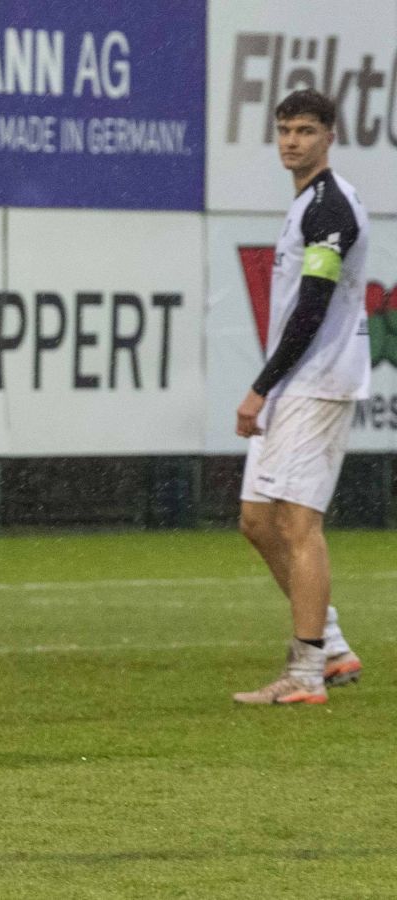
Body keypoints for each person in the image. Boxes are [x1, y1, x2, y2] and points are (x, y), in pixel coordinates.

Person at [232, 89, 368, 706]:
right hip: (296, 382)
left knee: (297, 523)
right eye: (284, 129)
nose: (292, 141)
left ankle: (307, 672)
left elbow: (312, 309)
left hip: (319, 382)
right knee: (257, 521)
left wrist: (260, 387)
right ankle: (333, 646)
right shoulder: (305, 205)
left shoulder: (330, 209)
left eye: (305, 130)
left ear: (330, 136)